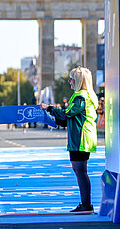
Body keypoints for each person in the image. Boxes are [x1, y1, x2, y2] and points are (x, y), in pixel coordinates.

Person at [40, 66, 98, 213]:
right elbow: (68, 119)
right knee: (79, 170)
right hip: (78, 137)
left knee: (80, 171)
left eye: (72, 78)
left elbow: (67, 114)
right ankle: (85, 204)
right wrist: (54, 120)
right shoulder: (81, 96)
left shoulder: (81, 97)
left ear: (78, 80)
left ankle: (86, 205)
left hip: (81, 138)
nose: (69, 81)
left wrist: (49, 108)